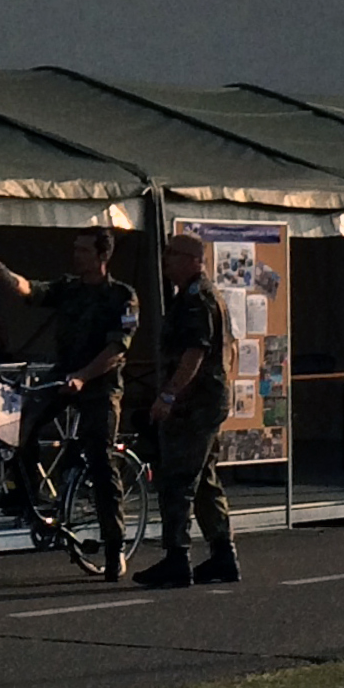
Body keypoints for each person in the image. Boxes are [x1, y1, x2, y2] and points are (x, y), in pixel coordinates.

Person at [0, 231, 139, 580]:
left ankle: (115, 548)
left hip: (99, 386)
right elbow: (32, 291)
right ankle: (26, 495)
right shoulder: (70, 288)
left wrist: (84, 376)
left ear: (102, 256)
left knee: (101, 461)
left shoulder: (121, 297)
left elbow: (117, 349)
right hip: (64, 377)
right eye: (75, 249)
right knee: (19, 425)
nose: (76, 255)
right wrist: (3, 272)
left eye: (83, 250)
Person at [135, 230, 239, 587]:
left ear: (195, 260)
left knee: (178, 479)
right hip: (206, 401)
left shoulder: (196, 300)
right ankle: (222, 555)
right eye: (165, 254)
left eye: (174, 255)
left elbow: (194, 353)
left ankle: (176, 557)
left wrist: (168, 396)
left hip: (194, 405)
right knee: (206, 480)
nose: (166, 261)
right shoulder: (198, 296)